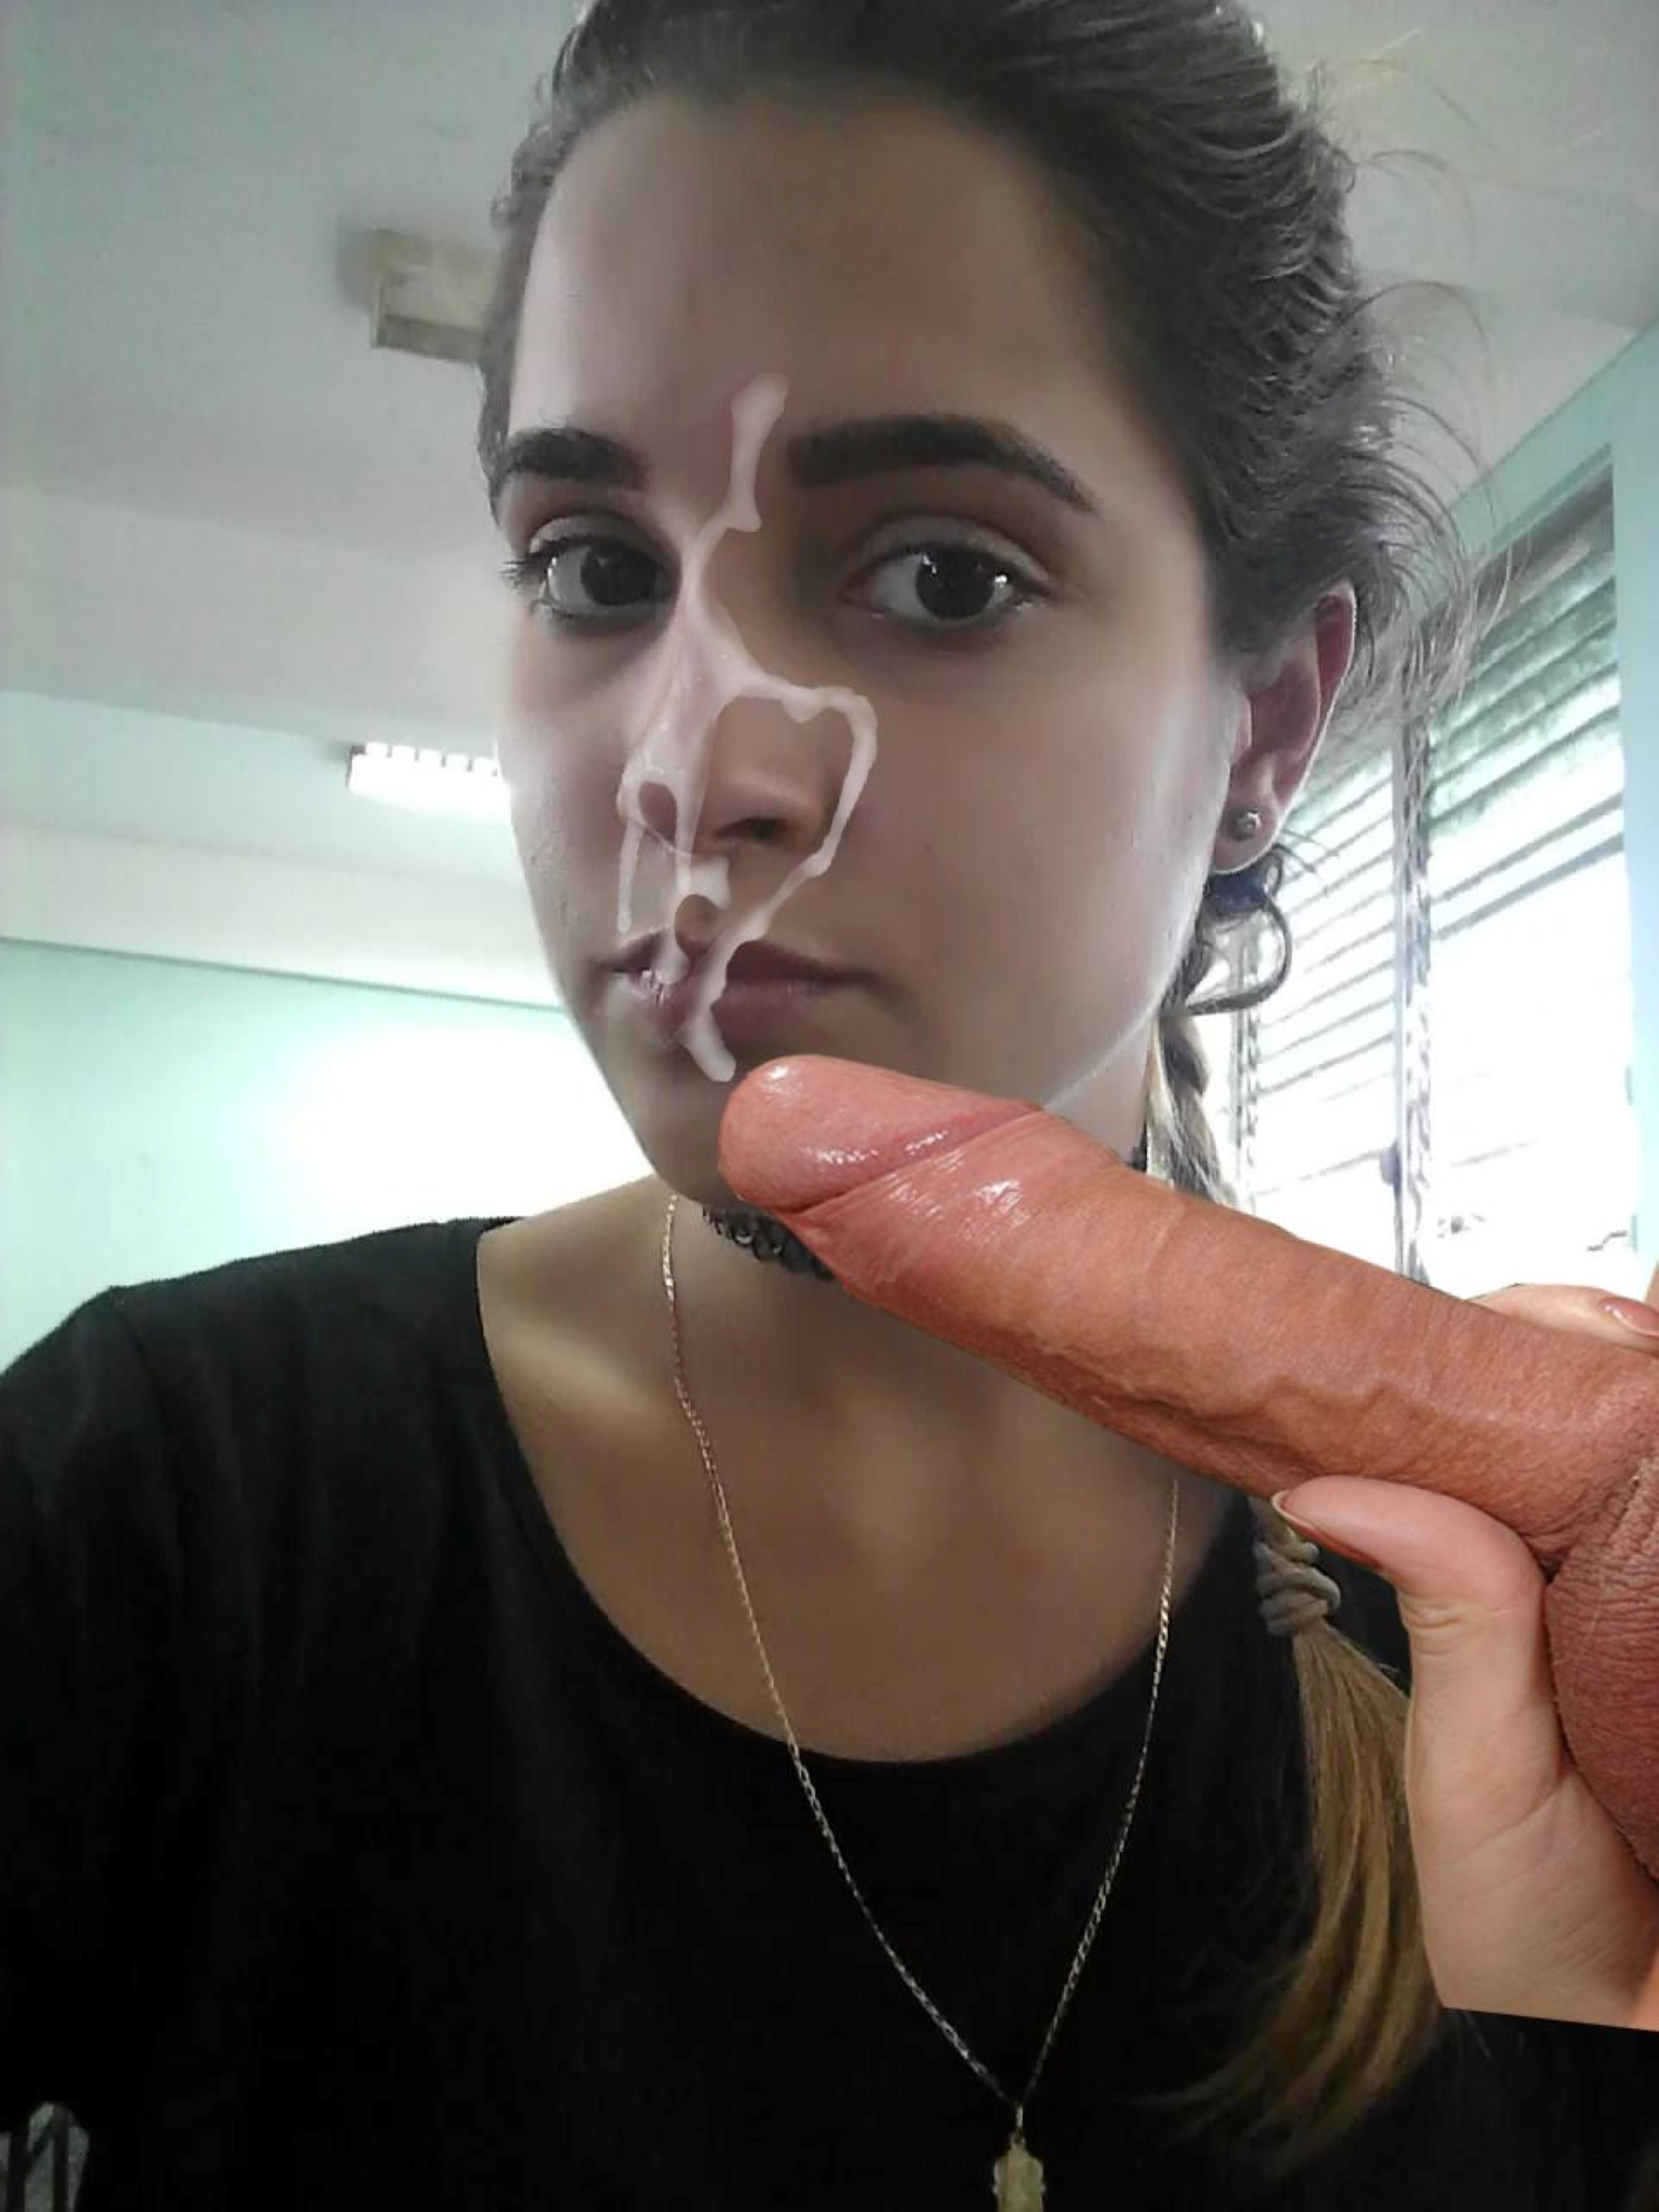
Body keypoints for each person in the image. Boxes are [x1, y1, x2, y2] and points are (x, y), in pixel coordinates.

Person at [2, 2, 1655, 2205]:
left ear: (1266, 724)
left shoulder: (1523, 1664)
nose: (695, 769)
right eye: (594, 566)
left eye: (944, 575)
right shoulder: (163, 1514)